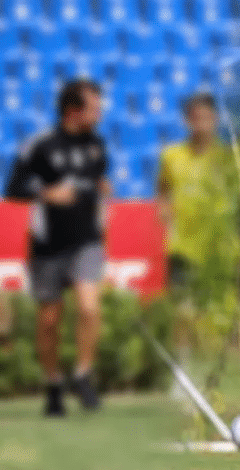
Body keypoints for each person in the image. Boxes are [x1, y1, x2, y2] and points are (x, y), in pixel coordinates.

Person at [4, 79, 110, 416]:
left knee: (89, 308)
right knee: (49, 321)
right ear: (73, 110)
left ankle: (82, 374)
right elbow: (13, 187)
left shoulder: (97, 145)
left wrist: (101, 198)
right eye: (93, 107)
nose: (100, 113)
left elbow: (96, 186)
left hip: (86, 242)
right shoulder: (41, 145)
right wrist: (47, 193)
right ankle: (53, 383)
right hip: (48, 245)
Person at [156, 93, 233, 390]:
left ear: (215, 120)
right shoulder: (172, 156)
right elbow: (163, 190)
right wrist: (165, 215)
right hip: (183, 247)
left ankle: (213, 375)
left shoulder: (226, 157)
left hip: (217, 247)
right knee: (183, 313)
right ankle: (183, 372)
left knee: (212, 316)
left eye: (206, 118)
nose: (201, 124)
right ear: (188, 120)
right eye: (195, 118)